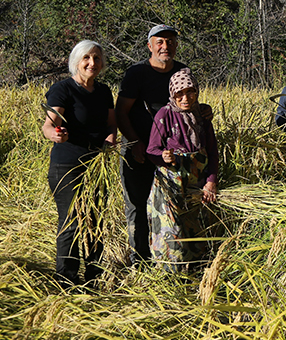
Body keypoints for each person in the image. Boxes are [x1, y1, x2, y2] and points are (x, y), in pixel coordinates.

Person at [41, 40, 117, 288]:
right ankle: (67, 281)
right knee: (71, 221)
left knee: (95, 221)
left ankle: (95, 278)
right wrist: (56, 135)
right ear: (76, 61)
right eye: (86, 58)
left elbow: (111, 124)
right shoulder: (63, 89)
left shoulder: (104, 91)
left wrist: (111, 138)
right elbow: (49, 125)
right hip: (67, 166)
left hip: (97, 167)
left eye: (96, 58)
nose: (92, 63)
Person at [115, 25, 188, 264]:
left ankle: (168, 257)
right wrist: (135, 143)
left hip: (170, 153)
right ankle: (140, 259)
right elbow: (121, 112)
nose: (166, 46)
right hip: (138, 149)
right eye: (160, 42)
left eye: (170, 42)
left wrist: (204, 110)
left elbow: (188, 105)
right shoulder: (137, 73)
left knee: (170, 205)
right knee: (137, 204)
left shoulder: (182, 71)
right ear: (150, 46)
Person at [146, 68, 218, 271]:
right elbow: (152, 150)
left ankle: (197, 273)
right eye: (180, 94)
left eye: (190, 92)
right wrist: (163, 157)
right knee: (172, 232)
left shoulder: (202, 116)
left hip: (196, 184)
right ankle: (170, 275)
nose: (185, 98)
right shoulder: (165, 114)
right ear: (172, 94)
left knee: (196, 229)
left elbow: (212, 152)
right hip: (171, 185)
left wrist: (211, 182)